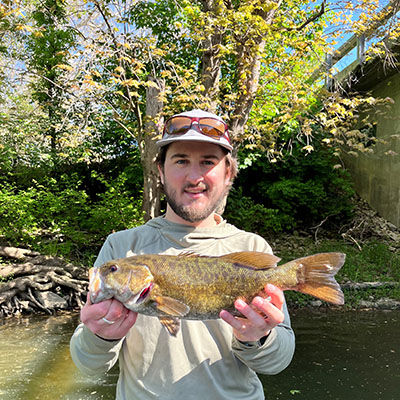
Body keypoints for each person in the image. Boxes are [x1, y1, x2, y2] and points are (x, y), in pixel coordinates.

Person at [70, 109, 295, 400]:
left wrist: (258, 338)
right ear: (160, 170)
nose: (194, 176)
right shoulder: (121, 248)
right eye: (181, 161)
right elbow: (88, 365)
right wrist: (100, 335)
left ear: (228, 173)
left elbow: (278, 362)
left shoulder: (252, 248)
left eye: (208, 162)